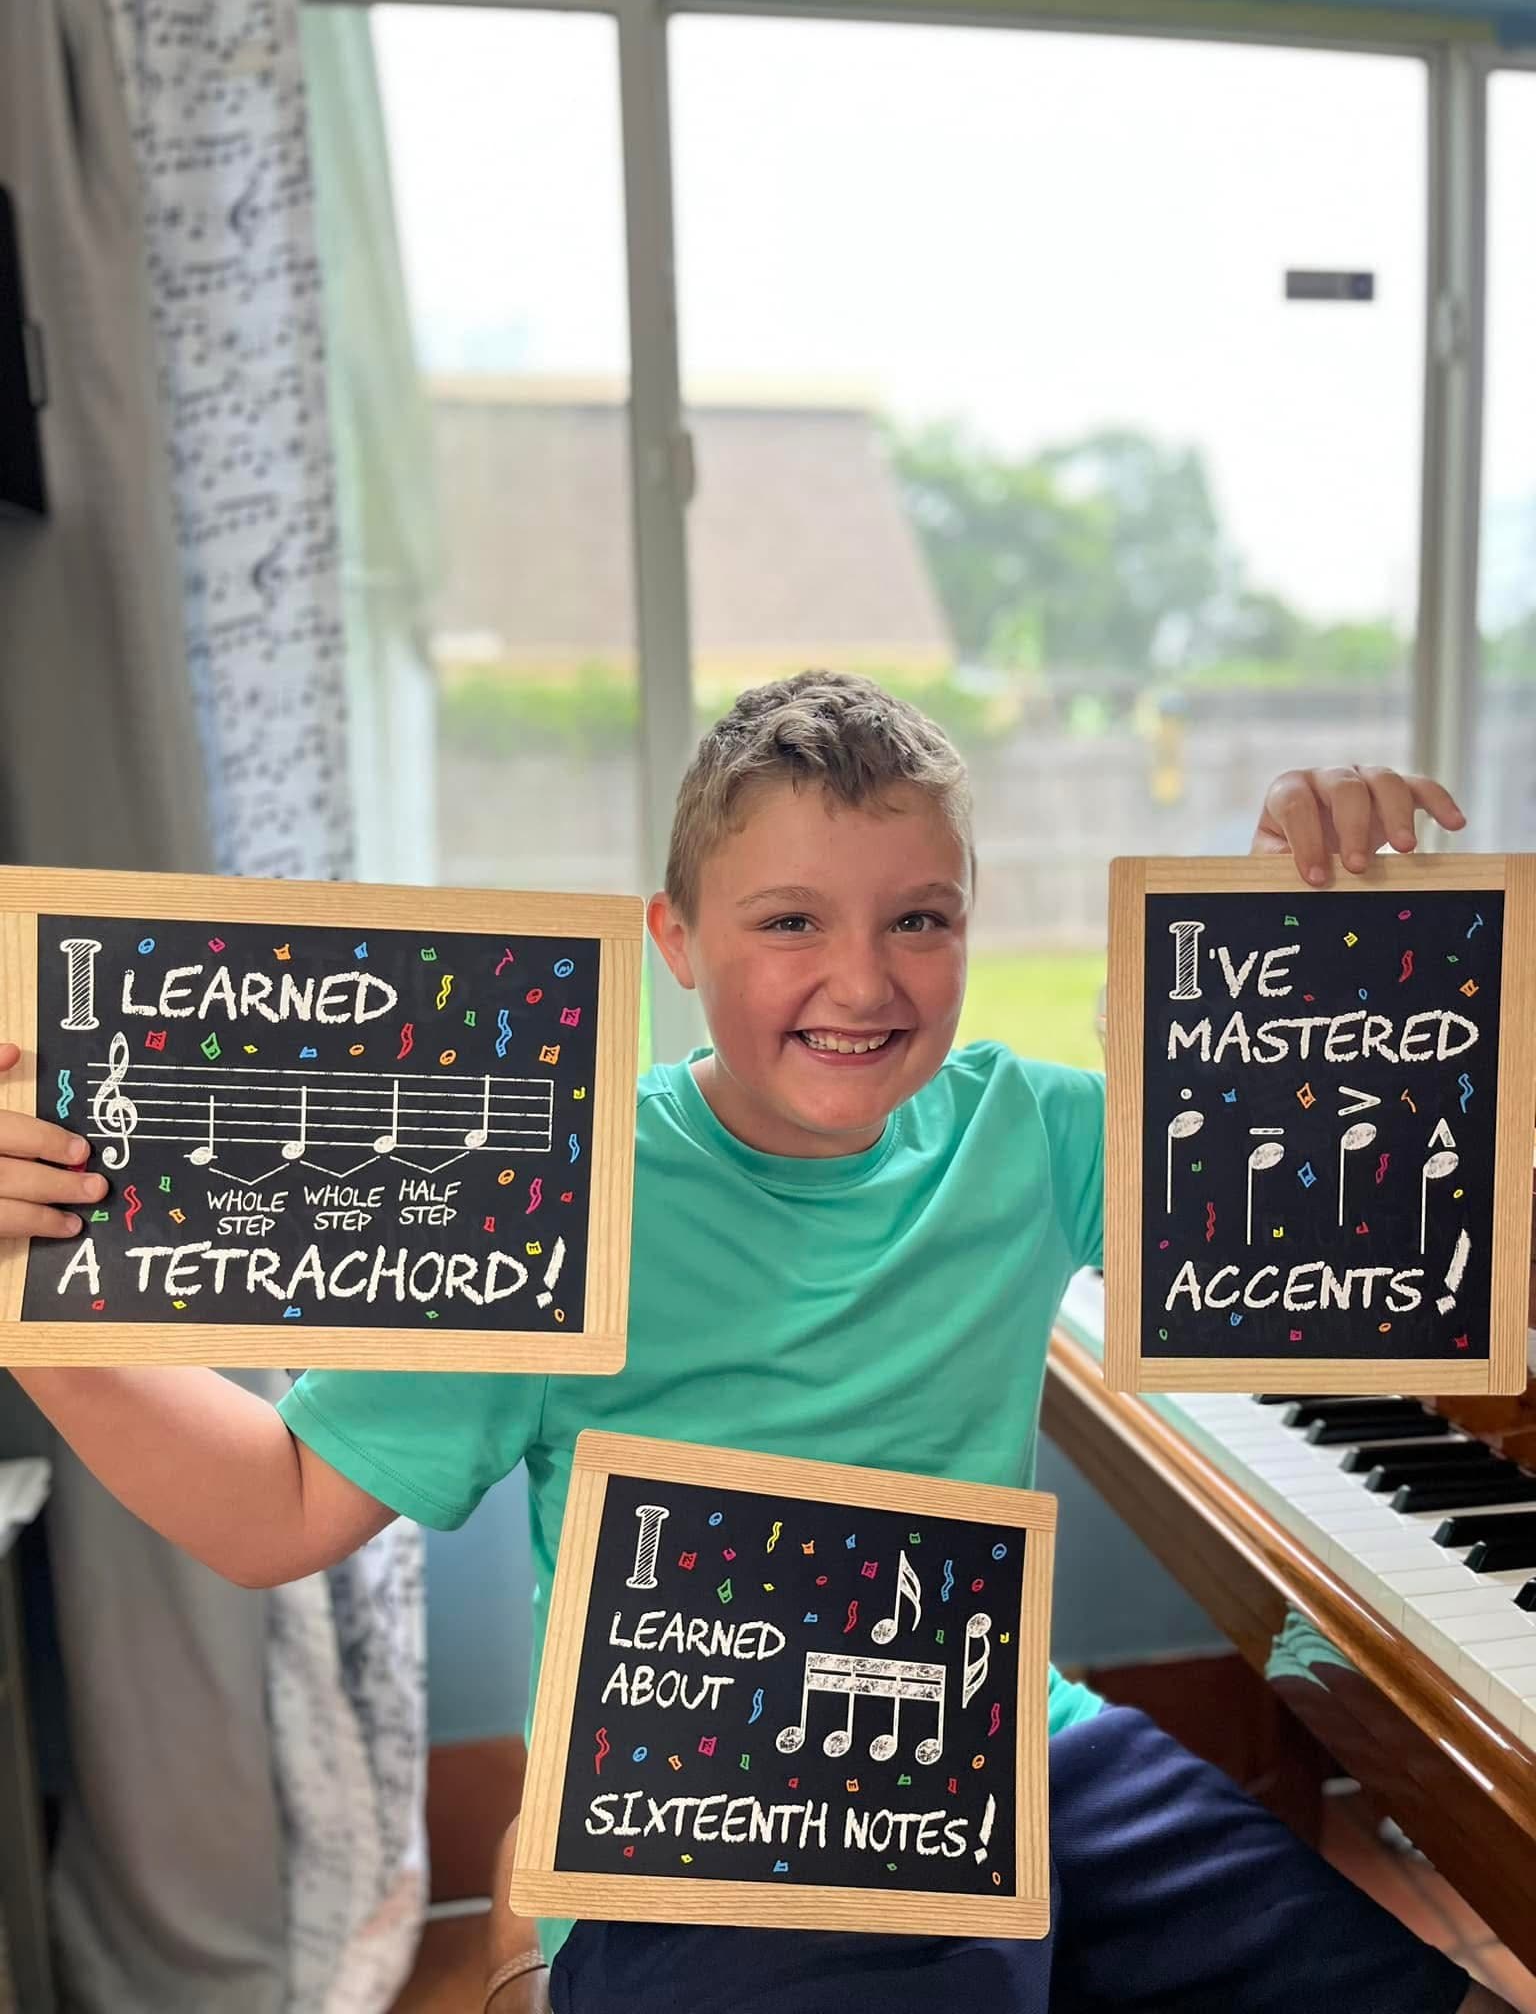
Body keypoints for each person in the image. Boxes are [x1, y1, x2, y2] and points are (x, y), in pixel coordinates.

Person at [3, 672, 1509, 2014]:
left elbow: (1330, 1270)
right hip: (692, 1822)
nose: (864, 982)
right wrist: (32, 1313)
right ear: (674, 938)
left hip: (1018, 1753)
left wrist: (1306, 961)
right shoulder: (551, 1185)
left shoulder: (1028, 1131)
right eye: (790, 921)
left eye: (920, 918)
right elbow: (277, 1509)